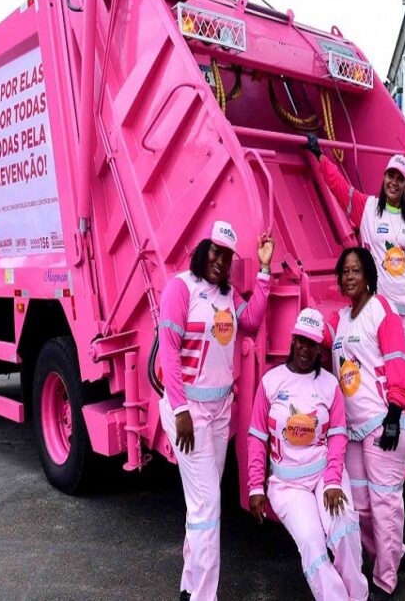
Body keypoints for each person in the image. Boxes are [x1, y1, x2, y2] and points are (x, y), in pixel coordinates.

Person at [158, 221, 274, 601]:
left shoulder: (227, 296)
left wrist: (265, 270)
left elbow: (252, 321)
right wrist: (180, 410)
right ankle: (203, 595)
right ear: (203, 249)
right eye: (215, 252)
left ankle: (189, 588)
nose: (220, 261)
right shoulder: (181, 288)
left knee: (201, 504)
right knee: (209, 503)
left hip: (221, 410)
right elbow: (168, 352)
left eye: (226, 256)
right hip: (188, 412)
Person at [305, 134, 405, 410]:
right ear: (384, 179)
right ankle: (383, 425)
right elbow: (339, 187)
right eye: (390, 176)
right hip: (380, 309)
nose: (394, 182)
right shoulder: (367, 209)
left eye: (400, 179)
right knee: (381, 367)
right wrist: (320, 156)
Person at [248, 308, 367, 601]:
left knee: (344, 528)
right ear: (293, 340)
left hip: (324, 476)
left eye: (312, 343)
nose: (305, 348)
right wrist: (254, 486)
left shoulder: (329, 385)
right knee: (313, 544)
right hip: (287, 486)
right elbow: (256, 436)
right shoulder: (271, 382)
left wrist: (333, 482)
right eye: (301, 340)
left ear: (318, 349)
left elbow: (338, 435)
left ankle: (358, 596)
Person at [323, 247, 405, 601]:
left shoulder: (381, 311)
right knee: (358, 506)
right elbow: (319, 339)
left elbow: (397, 361)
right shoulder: (342, 319)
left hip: (383, 427)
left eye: (355, 270)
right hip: (353, 431)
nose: (349, 276)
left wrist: (395, 413)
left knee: (385, 506)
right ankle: (397, 553)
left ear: (368, 275)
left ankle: (385, 580)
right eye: (344, 271)